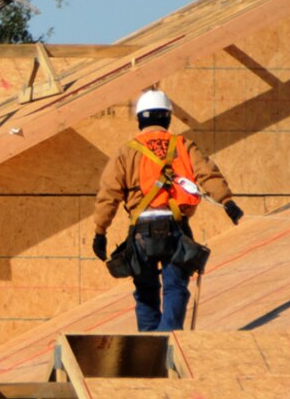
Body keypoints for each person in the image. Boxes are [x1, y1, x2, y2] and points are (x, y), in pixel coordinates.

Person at [90, 89, 244, 331]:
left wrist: (100, 232)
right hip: (176, 229)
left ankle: (151, 348)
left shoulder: (126, 151)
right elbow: (208, 173)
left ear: (140, 119)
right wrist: (227, 203)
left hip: (141, 233)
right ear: (168, 119)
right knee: (175, 289)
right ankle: (168, 341)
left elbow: (109, 194)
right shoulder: (183, 145)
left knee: (146, 291)